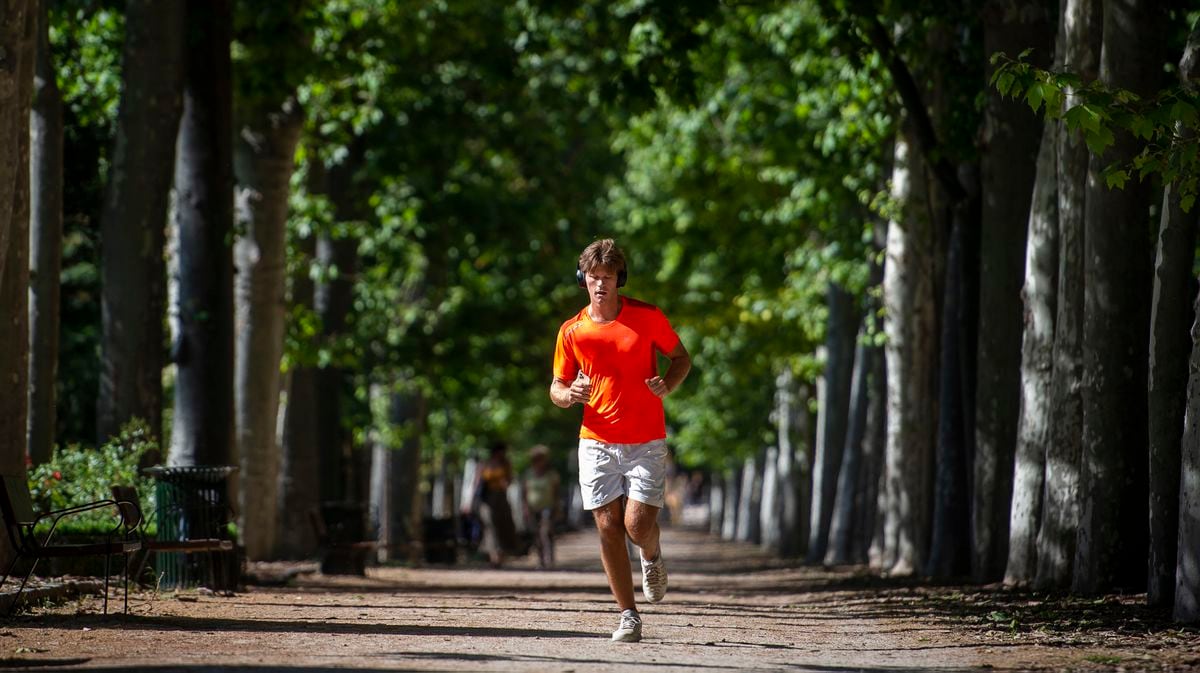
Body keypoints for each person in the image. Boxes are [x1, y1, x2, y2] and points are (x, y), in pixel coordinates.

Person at [550, 238, 691, 643]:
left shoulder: (647, 318)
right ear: (583, 280)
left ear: (619, 279)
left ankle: (652, 553)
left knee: (636, 524)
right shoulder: (572, 331)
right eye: (593, 278)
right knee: (608, 525)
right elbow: (556, 388)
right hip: (596, 439)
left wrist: (668, 383)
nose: (600, 285)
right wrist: (568, 395)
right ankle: (628, 615)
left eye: (608, 278)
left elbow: (682, 358)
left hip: (645, 439)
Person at [473, 440, 520, 567]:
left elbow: (510, 480)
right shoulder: (484, 464)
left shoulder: (505, 464)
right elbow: (477, 483)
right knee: (490, 526)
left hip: (501, 498)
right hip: (486, 499)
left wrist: (505, 483)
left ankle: (501, 554)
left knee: (502, 525)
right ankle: (494, 556)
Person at [522, 444, 561, 569]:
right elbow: (525, 492)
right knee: (536, 534)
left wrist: (557, 507)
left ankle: (550, 559)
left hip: (547, 507)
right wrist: (525, 508)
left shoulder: (551, 474)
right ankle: (541, 560)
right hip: (533, 507)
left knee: (546, 532)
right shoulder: (528, 474)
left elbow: (556, 492)